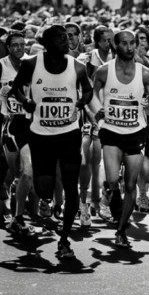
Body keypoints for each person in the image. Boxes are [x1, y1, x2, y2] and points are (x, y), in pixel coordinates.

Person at [9, 25, 93, 259]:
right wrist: (25, 101)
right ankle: (47, 197)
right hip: (41, 136)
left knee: (71, 186)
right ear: (47, 43)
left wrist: (81, 103)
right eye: (60, 39)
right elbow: (15, 90)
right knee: (44, 189)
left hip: (69, 134)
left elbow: (88, 90)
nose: (66, 42)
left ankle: (64, 240)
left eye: (67, 38)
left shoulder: (77, 66)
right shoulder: (31, 64)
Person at [91, 30, 149, 247]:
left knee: (130, 185)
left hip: (135, 133)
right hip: (111, 133)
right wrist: (98, 113)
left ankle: (121, 230)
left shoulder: (146, 73)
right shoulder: (103, 71)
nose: (130, 48)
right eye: (125, 44)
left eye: (133, 43)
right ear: (115, 46)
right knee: (113, 183)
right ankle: (111, 196)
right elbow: (92, 95)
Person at [1, 31, 35, 235]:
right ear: (8, 47)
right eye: (15, 45)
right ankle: (11, 204)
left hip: (30, 125)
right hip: (9, 125)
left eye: (22, 44)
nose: (20, 48)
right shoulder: (2, 65)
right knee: (15, 175)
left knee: (28, 171)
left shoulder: (31, 66)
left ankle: (18, 217)